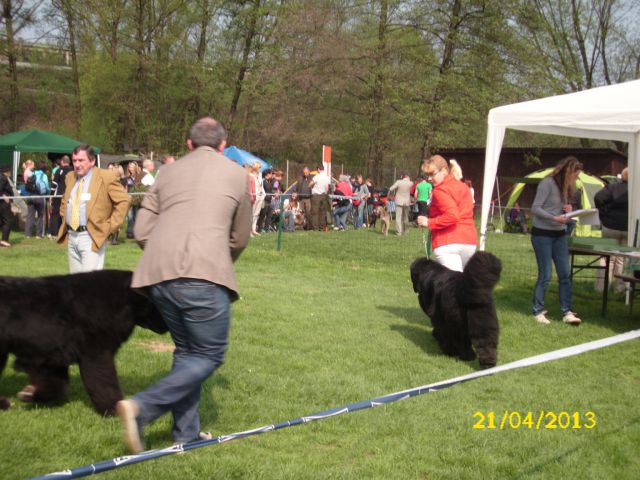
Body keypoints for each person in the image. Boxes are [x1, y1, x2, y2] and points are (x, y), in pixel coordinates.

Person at [117, 117, 252, 453]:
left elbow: (142, 230)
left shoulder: (166, 173)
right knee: (209, 354)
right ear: (223, 146)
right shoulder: (238, 174)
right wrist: (216, 259)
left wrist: (167, 253)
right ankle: (142, 408)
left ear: (189, 145)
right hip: (204, 273)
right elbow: (239, 237)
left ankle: (186, 433)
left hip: (157, 276)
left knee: (188, 352)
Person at [57, 145, 130, 273]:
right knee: (75, 284)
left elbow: (124, 200)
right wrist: (64, 215)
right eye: (74, 161)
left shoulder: (106, 177)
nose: (77, 164)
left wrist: (110, 226)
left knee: (90, 285)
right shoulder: (70, 177)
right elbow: (65, 200)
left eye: (81, 160)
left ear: (92, 161)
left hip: (91, 236)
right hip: (72, 236)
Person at [529, 156, 583, 325]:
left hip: (559, 235)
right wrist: (554, 218)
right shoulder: (547, 183)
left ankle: (566, 311)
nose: (577, 178)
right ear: (568, 172)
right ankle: (538, 311)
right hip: (542, 234)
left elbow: (561, 210)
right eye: (576, 175)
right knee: (545, 274)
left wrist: (569, 210)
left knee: (565, 274)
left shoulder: (567, 188)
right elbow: (535, 208)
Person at [416, 155, 477, 271]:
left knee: (451, 286)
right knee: (464, 284)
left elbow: (452, 216)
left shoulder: (439, 191)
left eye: (432, 174)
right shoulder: (464, 187)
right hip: (469, 241)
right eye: (427, 175)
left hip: (447, 242)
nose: (429, 178)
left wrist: (429, 222)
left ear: (444, 170)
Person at [594, 167, 629, 293]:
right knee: (622, 258)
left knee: (605, 257)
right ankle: (619, 288)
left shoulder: (612, 187)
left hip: (610, 225)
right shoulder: (636, 190)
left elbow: (598, 197)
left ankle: (601, 287)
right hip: (627, 228)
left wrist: (603, 212)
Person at [22, 160, 50, 238]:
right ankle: (39, 234)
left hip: (30, 196)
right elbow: (46, 187)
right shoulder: (44, 176)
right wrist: (48, 192)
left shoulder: (32, 173)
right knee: (41, 216)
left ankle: (28, 234)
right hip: (40, 197)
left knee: (30, 215)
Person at [48, 155, 72, 239]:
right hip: (70, 196)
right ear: (69, 162)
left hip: (58, 196)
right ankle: (68, 232)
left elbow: (54, 184)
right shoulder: (73, 171)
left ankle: (54, 233)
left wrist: (51, 195)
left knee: (55, 214)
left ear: (62, 162)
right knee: (69, 214)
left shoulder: (59, 170)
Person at [309, 164, 330, 231]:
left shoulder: (317, 176)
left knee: (315, 212)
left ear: (318, 169)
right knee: (323, 212)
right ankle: (322, 227)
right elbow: (327, 188)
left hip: (316, 196)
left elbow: (310, 184)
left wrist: (312, 187)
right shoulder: (327, 177)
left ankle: (315, 228)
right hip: (324, 195)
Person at [0, 165, 15, 247]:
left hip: (2, 203)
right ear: (6, 171)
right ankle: (4, 240)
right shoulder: (3, 178)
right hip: (3, 204)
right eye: (9, 171)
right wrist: (3, 195)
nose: (10, 172)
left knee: (3, 221)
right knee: (7, 221)